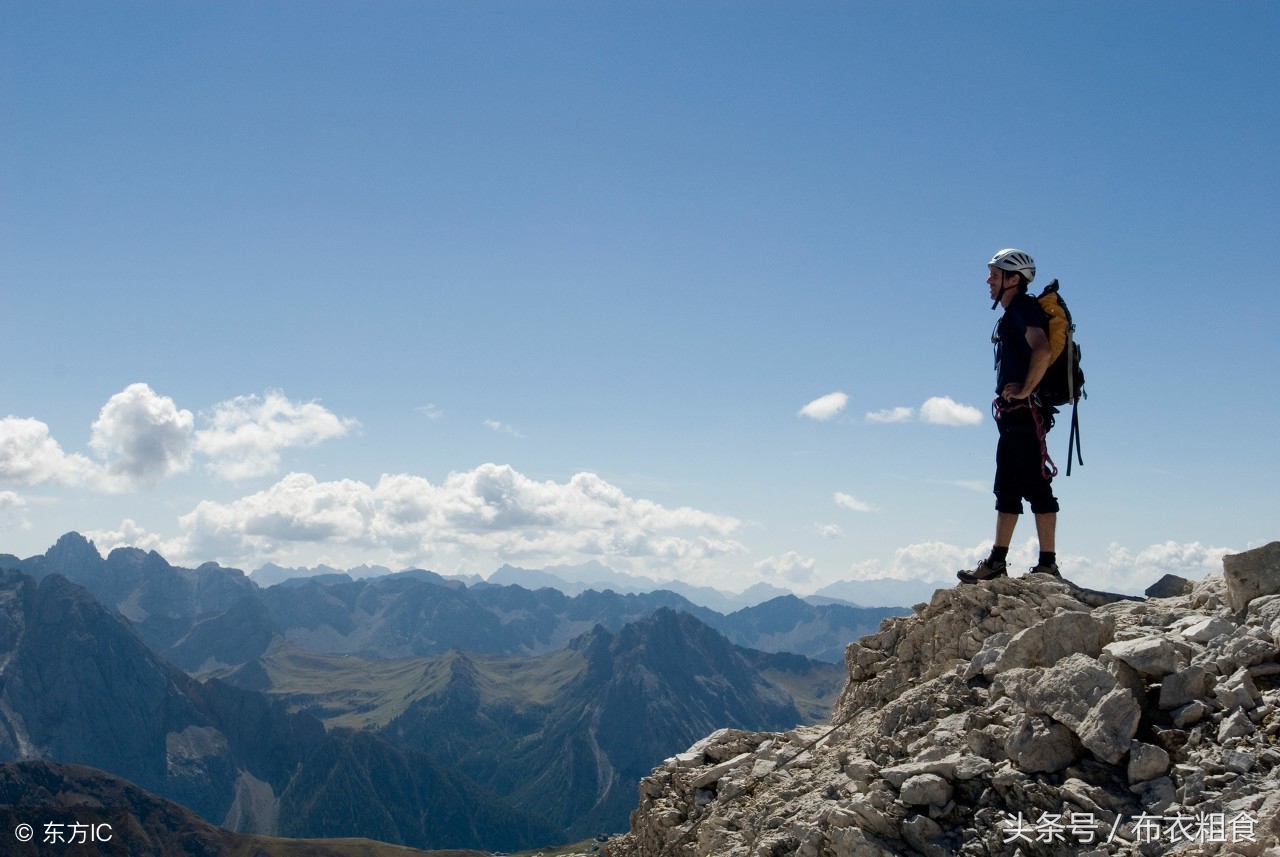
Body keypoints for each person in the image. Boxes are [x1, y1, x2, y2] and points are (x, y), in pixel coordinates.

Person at [958, 248, 1061, 583]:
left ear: (1013, 279)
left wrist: (1026, 391)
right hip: (1014, 417)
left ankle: (1048, 564)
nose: (988, 280)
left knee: (1035, 486)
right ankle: (997, 562)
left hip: (1024, 414)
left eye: (995, 274)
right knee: (1007, 488)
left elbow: (1042, 349)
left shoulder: (1022, 309)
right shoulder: (1014, 312)